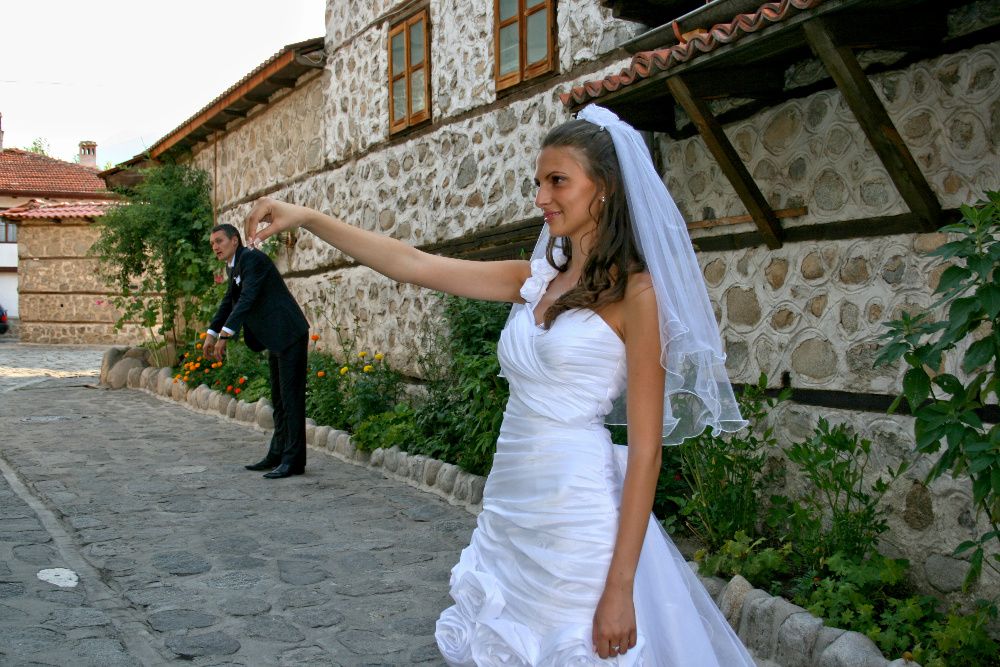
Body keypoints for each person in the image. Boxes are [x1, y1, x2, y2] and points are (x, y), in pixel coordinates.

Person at [243, 105, 755, 664]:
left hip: (575, 513)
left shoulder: (637, 295)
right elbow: (412, 264)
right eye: (538, 182)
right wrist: (309, 216)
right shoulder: (531, 282)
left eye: (558, 180)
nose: (541, 198)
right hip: (510, 505)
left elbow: (648, 452)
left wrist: (619, 587)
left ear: (604, 188)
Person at [204, 223, 310, 479]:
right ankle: (278, 453)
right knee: (279, 400)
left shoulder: (253, 259)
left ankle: (294, 461)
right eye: (212, 244)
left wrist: (226, 335)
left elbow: (247, 297)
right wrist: (211, 333)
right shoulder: (236, 265)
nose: (215, 247)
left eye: (219, 241)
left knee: (291, 400)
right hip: (276, 337)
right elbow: (230, 301)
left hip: (289, 333)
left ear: (235, 241)